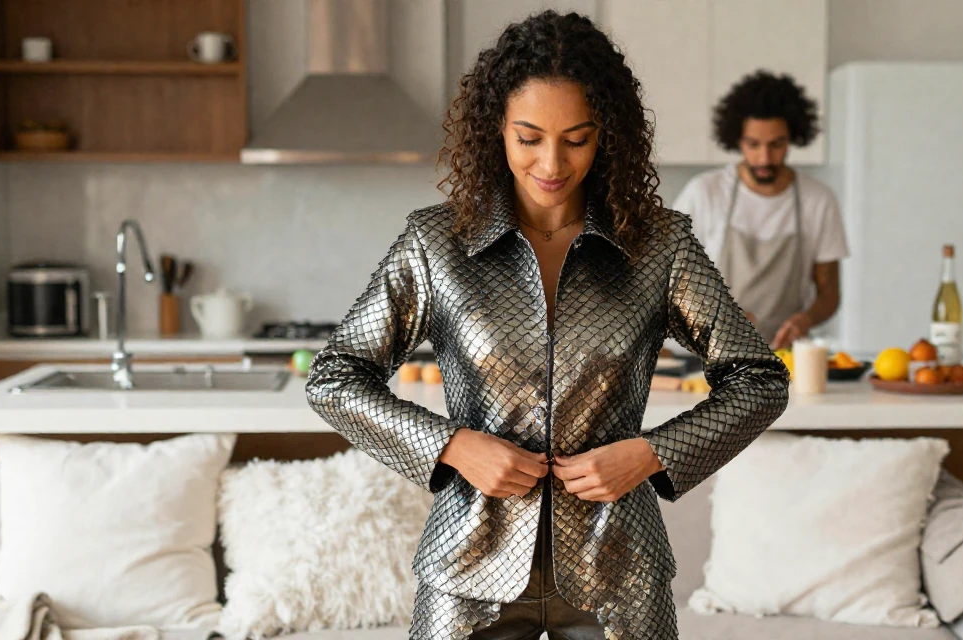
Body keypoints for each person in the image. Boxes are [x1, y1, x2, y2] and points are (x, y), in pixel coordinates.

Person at [306, 11, 789, 640]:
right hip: (467, 568)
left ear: (606, 136)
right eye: (529, 137)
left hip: (618, 569)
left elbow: (761, 380)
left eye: (577, 138)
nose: (552, 162)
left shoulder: (660, 246)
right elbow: (334, 377)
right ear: (495, 131)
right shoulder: (435, 244)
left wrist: (650, 454)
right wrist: (453, 446)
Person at [673, 70, 850, 350]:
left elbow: (829, 293)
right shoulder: (704, 193)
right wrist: (715, 316)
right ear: (737, 140)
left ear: (793, 138)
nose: (764, 158)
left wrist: (806, 319)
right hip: (711, 358)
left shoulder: (818, 201)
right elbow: (668, 281)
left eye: (776, 144)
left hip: (786, 359)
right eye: (753, 145)